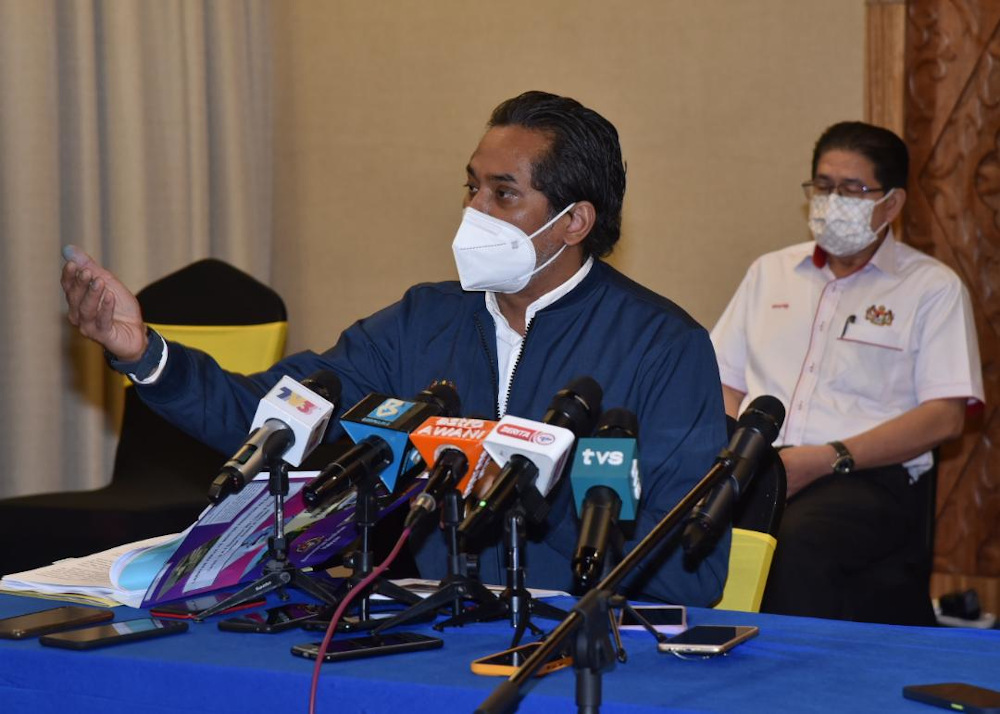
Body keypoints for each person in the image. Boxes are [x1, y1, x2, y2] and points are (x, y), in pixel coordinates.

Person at [61, 91, 729, 606]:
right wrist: (145, 353)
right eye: (472, 186)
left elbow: (686, 575)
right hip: (434, 634)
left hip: (586, 648)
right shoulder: (422, 321)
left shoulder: (663, 347)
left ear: (574, 222)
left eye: (504, 193)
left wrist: (529, 495)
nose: (474, 211)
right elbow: (271, 419)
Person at [710, 121, 984, 621]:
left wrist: (827, 457)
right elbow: (725, 382)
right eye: (823, 185)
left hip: (864, 476)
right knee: (681, 524)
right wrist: (735, 456)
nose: (832, 200)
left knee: (796, 543)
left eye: (852, 189)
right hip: (761, 466)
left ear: (892, 203)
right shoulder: (769, 273)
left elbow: (945, 416)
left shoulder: (931, 288)